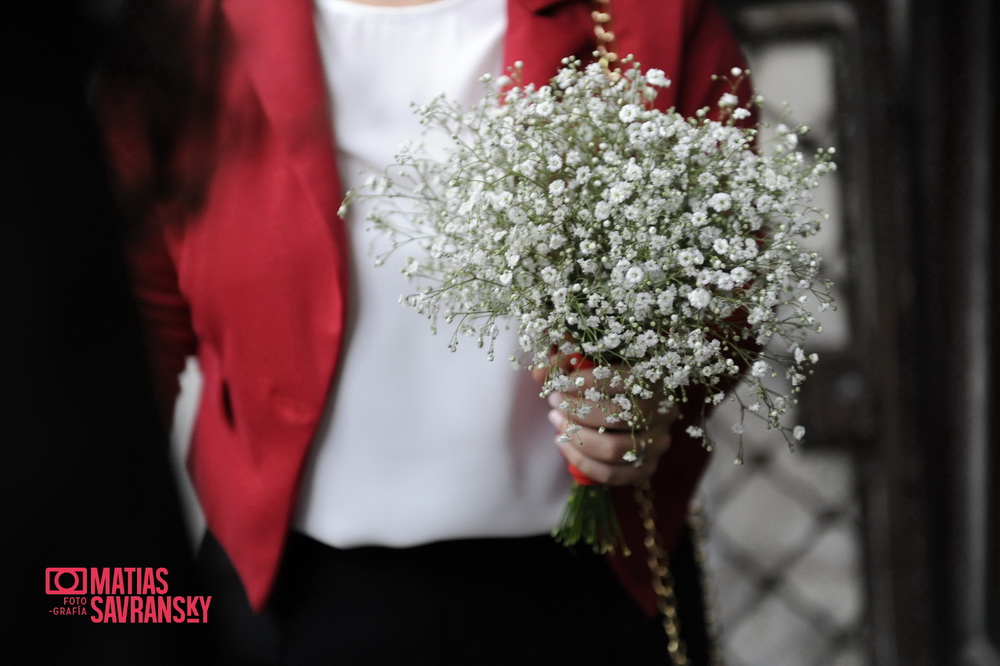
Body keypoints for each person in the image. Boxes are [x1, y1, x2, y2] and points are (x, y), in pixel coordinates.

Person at [99, 0, 750, 663]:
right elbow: (115, 355)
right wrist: (108, 616)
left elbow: (734, 280)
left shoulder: (641, 17)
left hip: (592, 588)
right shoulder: (182, 34)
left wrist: (656, 396)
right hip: (291, 599)